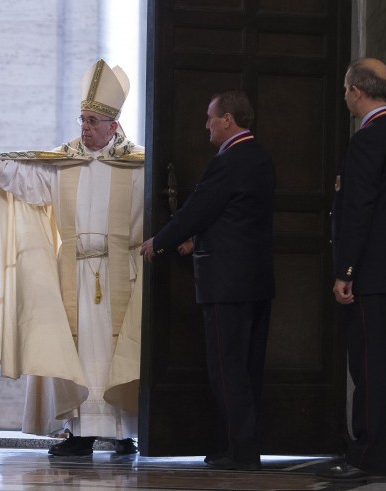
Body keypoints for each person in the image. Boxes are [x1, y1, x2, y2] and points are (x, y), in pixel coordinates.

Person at [0, 59, 144, 456]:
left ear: (113, 125)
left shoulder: (139, 164)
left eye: (93, 121)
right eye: (82, 119)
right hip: (73, 270)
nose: (85, 127)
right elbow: (22, 178)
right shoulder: (62, 161)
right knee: (77, 353)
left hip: (120, 275)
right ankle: (80, 434)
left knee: (117, 356)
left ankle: (124, 433)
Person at [141, 90, 275, 471]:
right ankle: (236, 447)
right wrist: (198, 237)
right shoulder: (261, 157)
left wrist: (160, 240)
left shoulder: (229, 160)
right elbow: (238, 217)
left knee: (226, 368)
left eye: (210, 118)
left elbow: (200, 208)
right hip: (256, 282)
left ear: (228, 120)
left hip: (226, 284)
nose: (206, 125)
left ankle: (241, 453)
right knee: (247, 368)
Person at [316, 58, 386, 483]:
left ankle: (364, 458)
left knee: (368, 369)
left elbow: (357, 212)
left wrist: (346, 270)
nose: (345, 97)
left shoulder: (368, 141)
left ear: (357, 91)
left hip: (372, 278)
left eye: (345, 90)